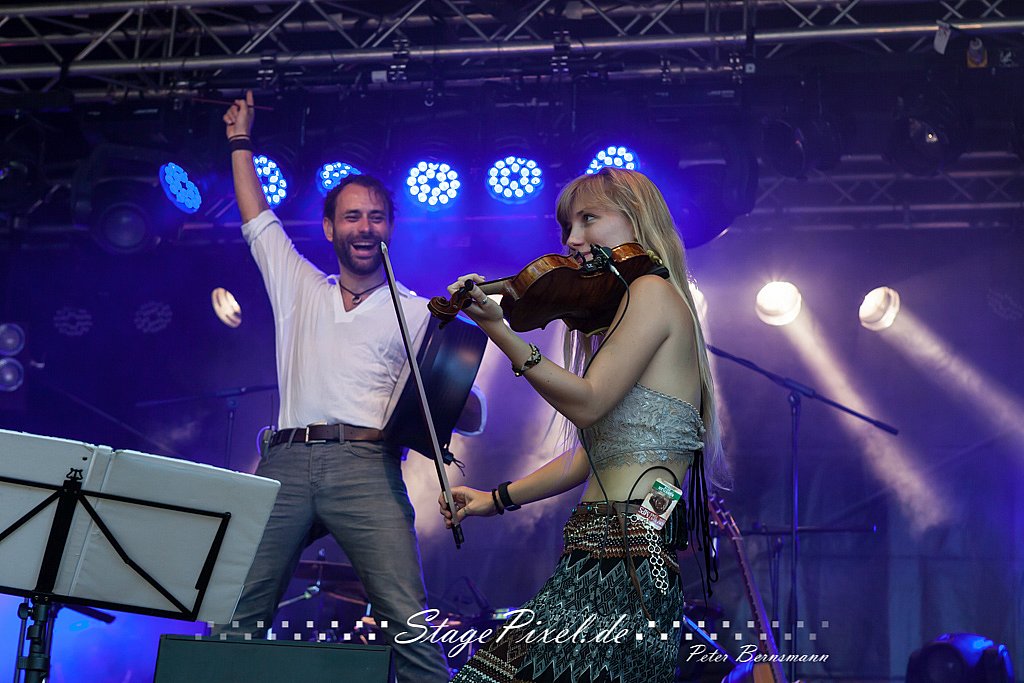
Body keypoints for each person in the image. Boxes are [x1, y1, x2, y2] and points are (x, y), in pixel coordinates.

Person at [438, 167, 725, 683]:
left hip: (622, 554)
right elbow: (594, 452)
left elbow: (588, 405)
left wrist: (501, 331)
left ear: (636, 220)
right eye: (568, 226)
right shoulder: (632, 307)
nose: (573, 239)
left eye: (589, 219)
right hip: (616, 550)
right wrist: (495, 498)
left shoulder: (652, 292)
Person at [218, 91, 449, 682]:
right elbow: (258, 220)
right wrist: (241, 142)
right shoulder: (299, 287)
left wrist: (456, 393)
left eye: (376, 216)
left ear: (390, 227)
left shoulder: (417, 312)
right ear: (329, 228)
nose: (364, 227)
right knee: (236, 614)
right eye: (352, 216)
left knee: (408, 623)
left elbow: (459, 411)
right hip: (285, 464)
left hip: (366, 467)